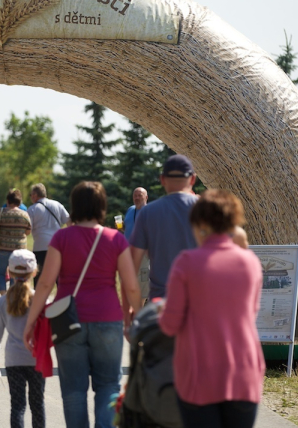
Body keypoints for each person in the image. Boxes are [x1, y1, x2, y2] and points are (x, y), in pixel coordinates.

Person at [23, 181, 142, 428]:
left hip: (68, 321)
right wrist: (137, 319)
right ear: (102, 206)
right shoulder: (115, 239)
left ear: (74, 206)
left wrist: (31, 321)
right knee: (108, 385)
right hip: (108, 319)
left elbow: (45, 284)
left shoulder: (61, 238)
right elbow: (130, 287)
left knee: (74, 389)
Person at [158, 189, 265, 428]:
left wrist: (162, 312)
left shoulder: (186, 262)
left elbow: (170, 325)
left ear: (200, 223)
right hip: (244, 374)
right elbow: (250, 312)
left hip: (199, 375)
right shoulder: (251, 263)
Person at [0, 250, 46, 428]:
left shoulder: (3, 301)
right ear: (34, 272)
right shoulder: (40, 299)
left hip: (13, 361)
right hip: (36, 359)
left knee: (18, 406)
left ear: (9, 273)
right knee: (37, 405)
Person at [130, 155, 198, 299]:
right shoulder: (209, 209)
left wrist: (131, 308)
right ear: (193, 179)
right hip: (198, 300)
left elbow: (132, 266)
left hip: (161, 303)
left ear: (162, 179)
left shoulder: (147, 213)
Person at [0, 189, 32, 295]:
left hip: (1, 249)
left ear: (8, 200)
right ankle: (12, 296)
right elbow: (28, 231)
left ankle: (3, 294)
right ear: (19, 202)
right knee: (15, 274)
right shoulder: (25, 215)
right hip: (19, 251)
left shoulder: (0, 212)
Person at [27, 183, 69, 287]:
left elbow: (27, 229)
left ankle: (38, 301)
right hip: (57, 246)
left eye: (31, 195)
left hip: (40, 246)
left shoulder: (32, 209)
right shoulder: (57, 205)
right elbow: (70, 222)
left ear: (34, 195)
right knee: (59, 278)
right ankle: (61, 300)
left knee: (39, 278)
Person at [124, 187, 149, 299]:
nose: (137, 197)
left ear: (146, 197)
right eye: (135, 195)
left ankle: (142, 308)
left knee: (143, 280)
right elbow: (128, 228)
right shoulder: (130, 209)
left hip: (144, 253)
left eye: (140, 195)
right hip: (128, 252)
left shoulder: (150, 211)